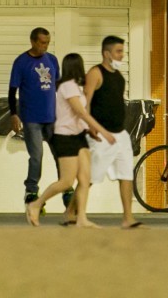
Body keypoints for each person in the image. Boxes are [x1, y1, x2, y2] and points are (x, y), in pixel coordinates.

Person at [26, 52, 113, 227]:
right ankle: (36, 204)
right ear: (77, 67)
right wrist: (102, 130)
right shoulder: (67, 86)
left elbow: (81, 115)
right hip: (65, 137)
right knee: (66, 181)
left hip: (79, 136)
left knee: (85, 178)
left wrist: (89, 129)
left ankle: (80, 217)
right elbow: (80, 111)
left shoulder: (75, 87)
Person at [84, 36, 139, 227]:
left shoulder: (119, 76)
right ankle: (71, 212)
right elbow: (86, 102)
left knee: (126, 175)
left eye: (122, 51)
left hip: (120, 134)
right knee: (90, 177)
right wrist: (90, 127)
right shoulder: (95, 73)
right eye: (118, 51)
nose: (122, 55)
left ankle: (128, 218)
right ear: (106, 53)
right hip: (100, 134)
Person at [8, 26, 60, 207]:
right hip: (31, 118)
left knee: (60, 154)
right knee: (37, 155)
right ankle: (31, 190)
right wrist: (14, 114)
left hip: (51, 117)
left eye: (47, 43)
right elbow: (12, 90)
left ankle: (66, 186)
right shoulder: (21, 62)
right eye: (42, 43)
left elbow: (58, 87)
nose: (45, 46)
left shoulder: (52, 60)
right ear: (33, 41)